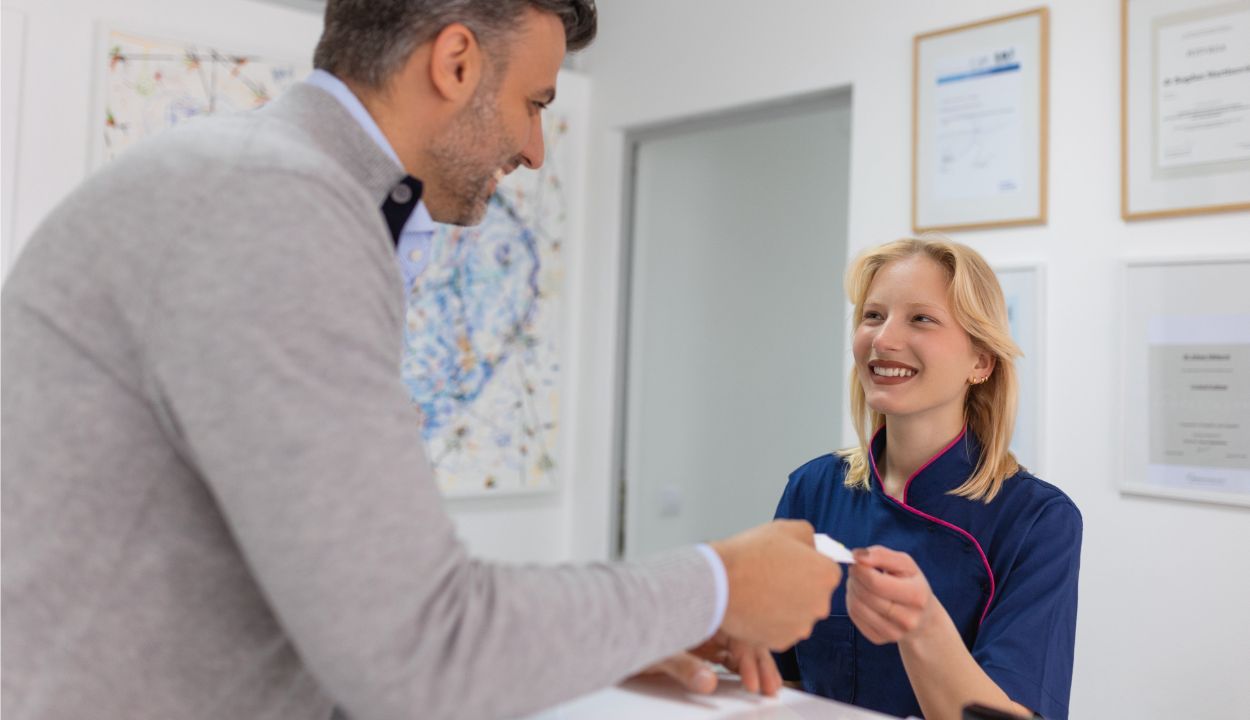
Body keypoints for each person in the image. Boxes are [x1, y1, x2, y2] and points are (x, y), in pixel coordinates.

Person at [0, 2, 842, 719]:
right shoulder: (273, 205)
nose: (536, 149)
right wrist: (719, 583)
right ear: (456, 61)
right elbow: (416, 647)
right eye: (534, 103)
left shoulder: (254, 181)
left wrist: (610, 633)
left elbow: (356, 594)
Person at [773, 238, 1082, 720]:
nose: (883, 339)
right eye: (873, 316)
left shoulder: (1037, 520)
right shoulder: (813, 490)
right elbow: (780, 679)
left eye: (921, 319)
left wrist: (922, 627)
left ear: (980, 361)